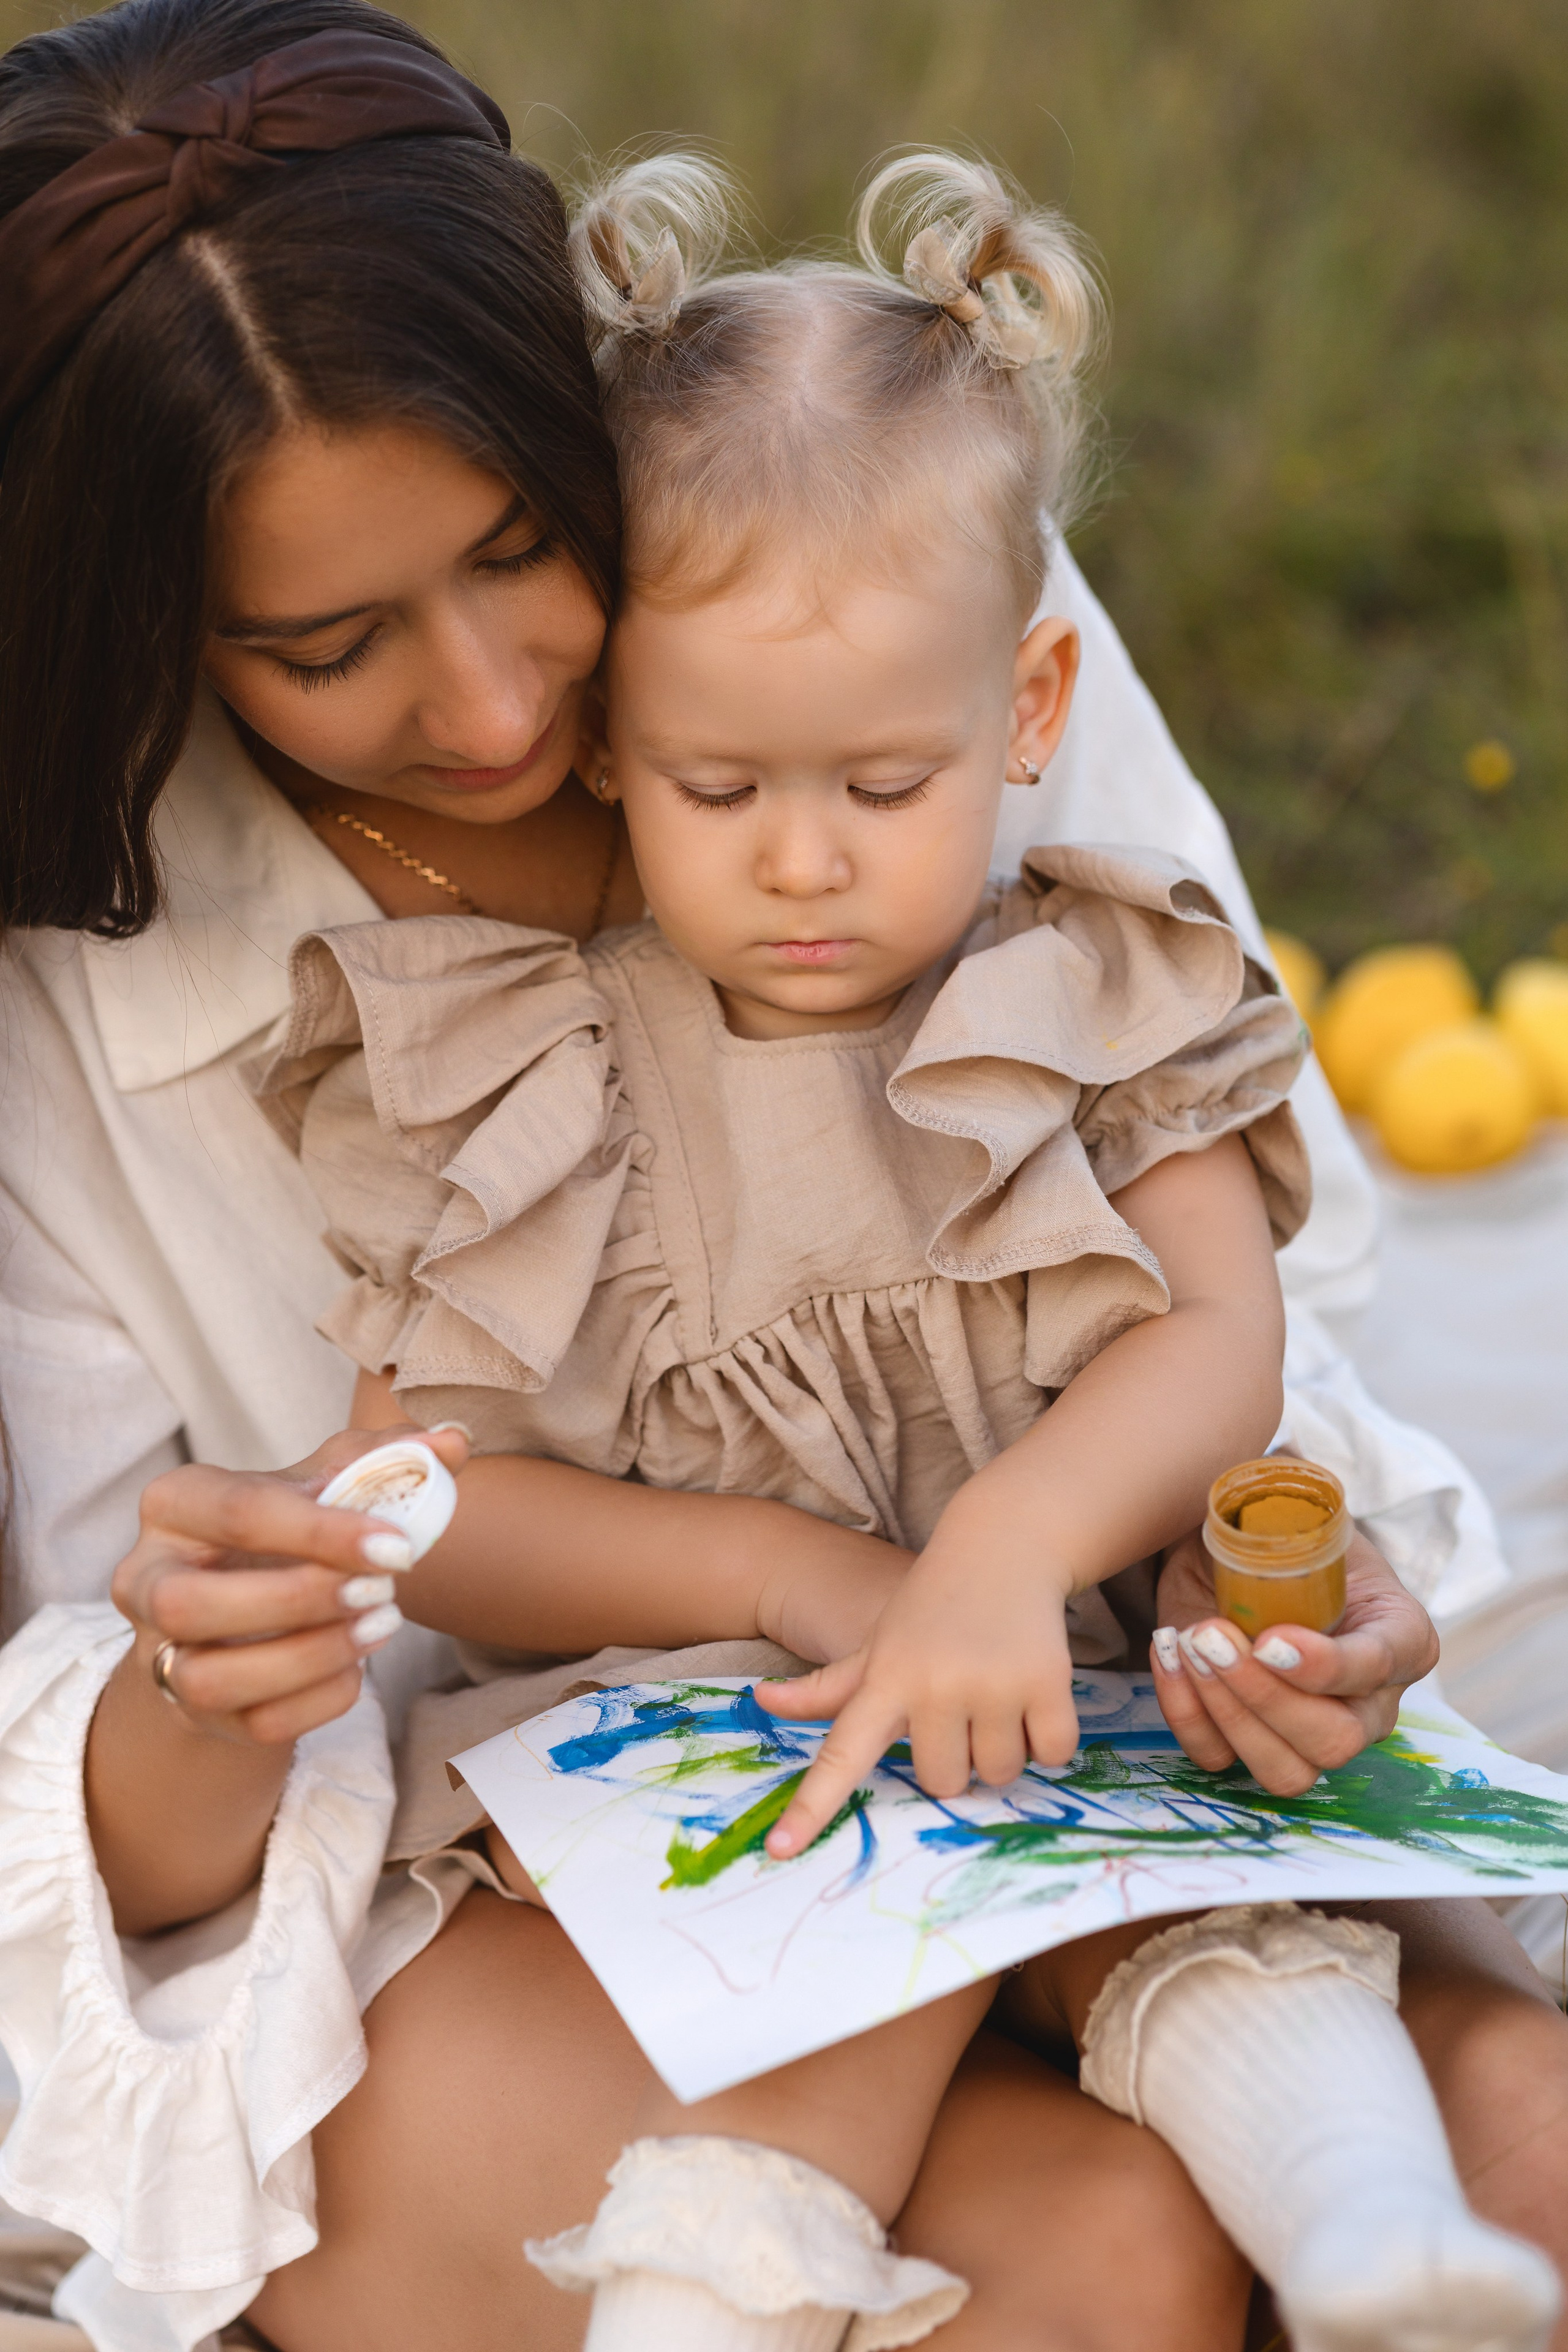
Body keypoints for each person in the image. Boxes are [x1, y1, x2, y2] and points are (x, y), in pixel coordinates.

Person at [0, 6, 1561, 2351]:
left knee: (1515, 2134)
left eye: (532, 549)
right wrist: (211, 1687)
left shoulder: (853, 542)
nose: (509, 708)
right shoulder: (89, 1017)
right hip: (538, 1855)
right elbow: (193, 1717)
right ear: (146, 637)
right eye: (325, 647)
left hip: (1070, 1728)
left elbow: (1240, 1300)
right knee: (1087, 2251)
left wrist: (1287, 1592)